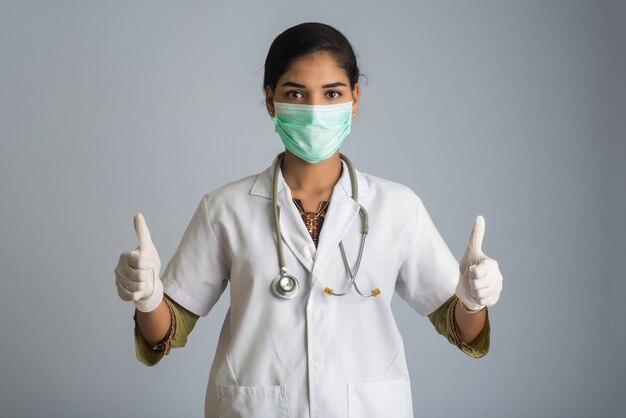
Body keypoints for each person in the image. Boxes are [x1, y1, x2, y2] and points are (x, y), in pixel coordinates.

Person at [114, 22, 503, 418]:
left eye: (332, 93)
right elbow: (165, 333)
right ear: (270, 101)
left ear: (355, 99)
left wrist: (473, 302)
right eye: (295, 93)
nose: (315, 110)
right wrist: (148, 298)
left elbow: (462, 330)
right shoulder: (225, 209)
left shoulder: (397, 206)